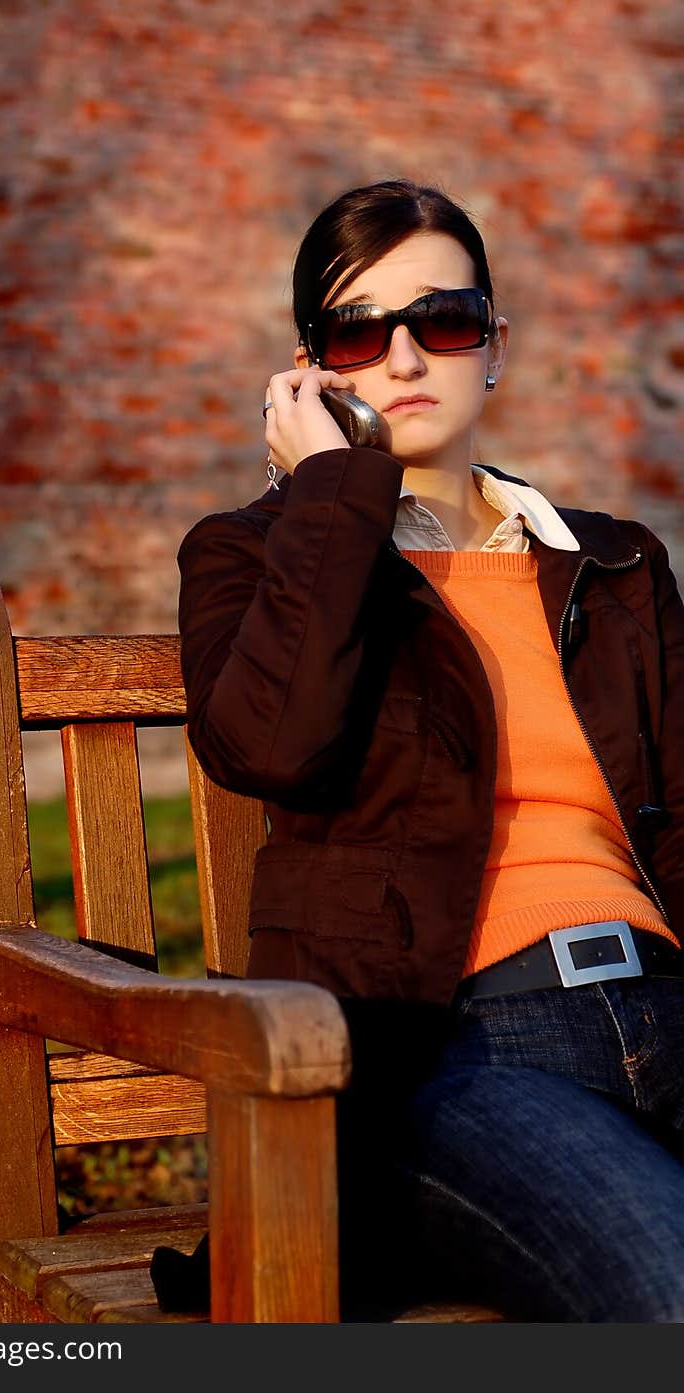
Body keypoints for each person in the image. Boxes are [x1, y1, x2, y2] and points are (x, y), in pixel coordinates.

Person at [173, 178, 684, 1322]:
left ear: (494, 347)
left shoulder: (615, 565)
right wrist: (326, 492)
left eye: (443, 322)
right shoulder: (251, 558)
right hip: (455, 1052)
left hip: (666, 998)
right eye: (360, 329)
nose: (404, 358)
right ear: (314, 368)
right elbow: (270, 746)